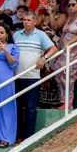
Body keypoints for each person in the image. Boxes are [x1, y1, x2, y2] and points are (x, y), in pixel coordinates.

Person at [13, 11, 57, 141]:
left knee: (31, 108)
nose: (25, 22)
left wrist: (44, 58)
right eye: (24, 20)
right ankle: (19, 136)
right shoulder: (16, 35)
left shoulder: (40, 34)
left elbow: (53, 49)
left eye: (28, 20)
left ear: (35, 22)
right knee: (17, 108)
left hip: (32, 76)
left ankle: (28, 137)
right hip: (16, 76)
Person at [54, 0, 77, 109]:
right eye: (69, 5)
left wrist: (69, 43)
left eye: (73, 4)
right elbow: (63, 34)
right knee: (58, 70)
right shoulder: (70, 18)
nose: (71, 7)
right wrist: (59, 48)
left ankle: (68, 102)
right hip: (65, 47)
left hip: (76, 46)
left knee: (65, 70)